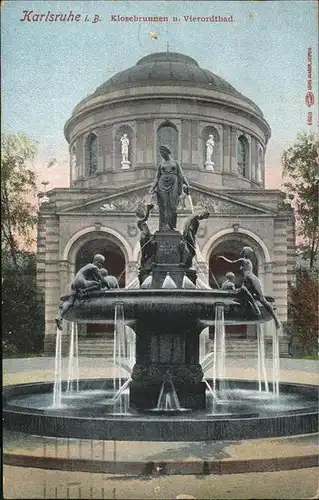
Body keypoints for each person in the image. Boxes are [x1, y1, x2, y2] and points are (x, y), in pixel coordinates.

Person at [217, 247, 281, 329]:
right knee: (245, 292)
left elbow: (231, 262)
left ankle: (276, 319)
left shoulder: (244, 260)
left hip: (252, 280)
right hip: (248, 281)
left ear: (245, 253)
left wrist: (222, 258)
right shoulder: (245, 262)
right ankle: (256, 309)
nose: (242, 252)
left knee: (261, 299)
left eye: (243, 251)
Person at [55, 254, 105, 330]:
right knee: (98, 285)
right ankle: (83, 291)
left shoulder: (87, 267)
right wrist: (106, 286)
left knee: (70, 302)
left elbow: (94, 278)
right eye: (101, 263)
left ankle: (59, 316)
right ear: (97, 262)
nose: (101, 265)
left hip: (74, 283)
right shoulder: (94, 267)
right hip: (81, 282)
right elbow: (102, 279)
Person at [150, 145, 190, 231]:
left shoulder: (176, 163)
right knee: (163, 206)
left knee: (173, 206)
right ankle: (164, 226)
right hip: (162, 184)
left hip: (174, 184)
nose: (162, 154)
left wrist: (187, 184)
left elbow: (181, 175)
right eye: (161, 153)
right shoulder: (161, 164)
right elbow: (157, 177)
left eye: (163, 152)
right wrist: (153, 187)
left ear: (168, 152)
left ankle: (171, 226)